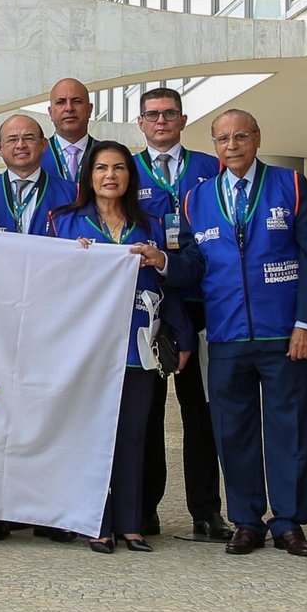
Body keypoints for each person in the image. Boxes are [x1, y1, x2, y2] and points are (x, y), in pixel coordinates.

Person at [182, 109, 307, 558]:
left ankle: (288, 522)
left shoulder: (291, 185)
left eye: (240, 136)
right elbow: (191, 264)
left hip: (284, 333)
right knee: (233, 431)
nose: (232, 146)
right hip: (225, 335)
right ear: (214, 145)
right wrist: (159, 261)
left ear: (257, 138)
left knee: (290, 428)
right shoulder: (196, 199)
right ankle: (246, 521)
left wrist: (306, 323)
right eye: (222, 139)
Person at [49, 141, 200, 552]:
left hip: (139, 344)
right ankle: (96, 522)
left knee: (134, 435)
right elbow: (48, 281)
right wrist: (70, 260)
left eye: (118, 168)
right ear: (89, 175)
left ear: (130, 176)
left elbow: (175, 284)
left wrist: (161, 264)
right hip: (87, 348)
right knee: (93, 436)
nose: (110, 175)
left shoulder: (151, 224)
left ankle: (131, 524)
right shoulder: (64, 222)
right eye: (101, 168)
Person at [132, 86, 231, 543]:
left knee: (201, 414)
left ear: (183, 119)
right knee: (147, 415)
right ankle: (143, 509)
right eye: (152, 114)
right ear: (140, 122)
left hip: (202, 303)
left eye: (169, 113)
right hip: (147, 308)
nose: (161, 121)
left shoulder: (211, 168)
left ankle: (206, 511)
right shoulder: (125, 169)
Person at [0, 112, 75, 543]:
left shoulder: (71, 192)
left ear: (44, 145)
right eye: (12, 139)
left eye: (30, 138)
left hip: (50, 322)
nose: (21, 145)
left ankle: (50, 512)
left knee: (49, 415)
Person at [44, 78, 95, 188]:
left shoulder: (108, 155)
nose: (69, 108)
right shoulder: (36, 156)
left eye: (76, 101)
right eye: (61, 102)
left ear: (89, 109)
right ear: (50, 112)